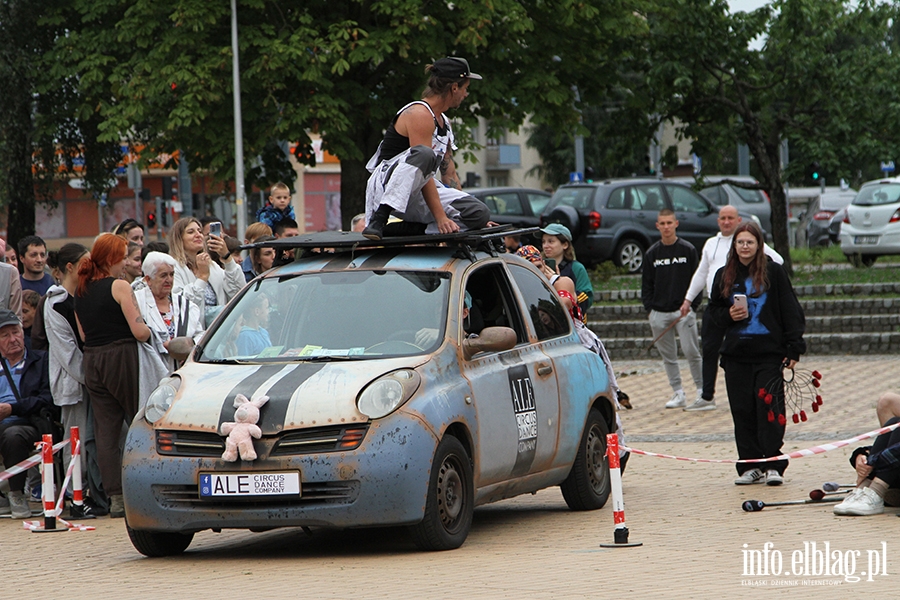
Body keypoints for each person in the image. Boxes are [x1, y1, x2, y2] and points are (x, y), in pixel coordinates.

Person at [708, 222, 805, 487]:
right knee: (742, 411)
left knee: (770, 409)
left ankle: (773, 463)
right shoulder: (723, 275)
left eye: (750, 242)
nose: (745, 247)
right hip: (736, 355)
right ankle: (750, 465)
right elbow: (712, 313)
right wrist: (728, 314)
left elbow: (790, 309)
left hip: (768, 355)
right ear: (734, 245)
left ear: (759, 244)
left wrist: (794, 347)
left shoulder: (773, 272)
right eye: (740, 242)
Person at [363, 57, 490, 240]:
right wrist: (440, 217)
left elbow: (449, 175)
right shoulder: (419, 114)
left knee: (479, 213)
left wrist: (474, 222)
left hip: (421, 190)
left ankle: (402, 231)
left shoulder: (444, 122)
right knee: (425, 154)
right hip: (388, 186)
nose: (466, 94)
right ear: (454, 87)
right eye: (465, 88)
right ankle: (380, 218)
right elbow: (423, 166)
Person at [74, 233, 152, 518]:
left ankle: (115, 498)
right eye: (122, 258)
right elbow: (139, 331)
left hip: (92, 360)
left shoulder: (81, 290)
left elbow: (83, 335)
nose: (125, 264)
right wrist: (154, 330)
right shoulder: (119, 286)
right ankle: (148, 487)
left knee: (106, 432)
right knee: (140, 419)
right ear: (112, 260)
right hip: (121, 356)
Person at [680, 205, 783, 412]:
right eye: (722, 218)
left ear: (737, 220)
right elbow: (701, 273)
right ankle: (706, 395)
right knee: (709, 349)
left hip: (746, 307)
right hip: (718, 305)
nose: (726, 222)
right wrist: (688, 299)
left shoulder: (748, 240)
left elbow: (777, 260)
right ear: (718, 221)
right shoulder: (711, 244)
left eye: (730, 218)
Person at [43, 243, 107, 517]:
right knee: (74, 440)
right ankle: (74, 498)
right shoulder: (55, 304)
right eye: (83, 263)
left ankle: (90, 493)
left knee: (90, 439)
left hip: (92, 380)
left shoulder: (85, 295)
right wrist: (90, 377)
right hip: (74, 384)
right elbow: (67, 353)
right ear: (70, 267)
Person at [642, 209, 702, 409]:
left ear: (676, 223)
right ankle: (678, 392)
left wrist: (692, 305)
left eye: (669, 223)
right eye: (662, 223)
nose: (666, 227)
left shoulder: (688, 250)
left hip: (683, 311)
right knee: (668, 356)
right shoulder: (652, 254)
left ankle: (702, 390)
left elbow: (698, 279)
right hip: (659, 312)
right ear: (657, 226)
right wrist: (650, 310)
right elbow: (647, 284)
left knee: (691, 351)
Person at [0, 309, 53, 519]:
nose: (13, 339)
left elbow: (48, 398)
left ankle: (16, 493)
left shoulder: (40, 360)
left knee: (14, 436)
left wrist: (13, 408)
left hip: (29, 422)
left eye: (16, 332)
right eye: (5, 335)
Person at [135, 252, 204, 372]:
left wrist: (188, 348)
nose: (169, 280)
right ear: (148, 279)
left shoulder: (185, 305)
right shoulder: (136, 302)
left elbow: (200, 335)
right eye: (163, 276)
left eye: (172, 275)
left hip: (184, 371)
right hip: (150, 369)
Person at [169, 217, 244, 327]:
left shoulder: (212, 265)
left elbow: (238, 292)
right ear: (179, 239)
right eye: (191, 232)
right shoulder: (173, 268)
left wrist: (227, 258)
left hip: (219, 333)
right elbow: (182, 306)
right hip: (194, 336)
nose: (198, 235)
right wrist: (202, 278)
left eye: (199, 231)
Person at [539, 224, 593, 319]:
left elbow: (587, 298)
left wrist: (559, 283)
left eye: (551, 241)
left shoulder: (576, 268)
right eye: (543, 242)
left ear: (565, 244)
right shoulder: (538, 267)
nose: (545, 246)